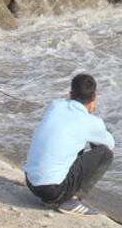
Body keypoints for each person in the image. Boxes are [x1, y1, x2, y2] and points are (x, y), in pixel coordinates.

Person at [24, 74, 114, 216]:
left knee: (69, 139)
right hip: (52, 191)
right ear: (95, 96)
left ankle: (60, 194)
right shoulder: (91, 122)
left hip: (31, 182)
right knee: (104, 154)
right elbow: (109, 145)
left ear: (70, 93)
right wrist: (92, 129)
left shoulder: (54, 106)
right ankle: (71, 200)